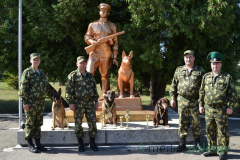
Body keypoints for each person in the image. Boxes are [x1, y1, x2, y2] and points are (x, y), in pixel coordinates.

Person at [199, 51, 237, 160]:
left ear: (220, 64)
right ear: (210, 64)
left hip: (221, 110)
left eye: (217, 64)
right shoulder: (206, 77)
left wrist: (230, 107)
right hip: (208, 109)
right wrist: (201, 105)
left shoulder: (227, 77)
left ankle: (223, 152)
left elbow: (233, 94)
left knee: (222, 131)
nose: (214, 66)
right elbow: (201, 92)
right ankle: (212, 150)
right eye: (212, 64)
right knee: (209, 130)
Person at [169, 50, 205, 151]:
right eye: (186, 57)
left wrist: (202, 102)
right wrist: (173, 98)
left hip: (195, 101)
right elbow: (173, 85)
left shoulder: (200, 71)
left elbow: (204, 88)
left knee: (196, 122)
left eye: (190, 57)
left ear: (194, 58)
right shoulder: (179, 70)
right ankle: (182, 143)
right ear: (184, 59)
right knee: (182, 121)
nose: (188, 59)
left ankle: (197, 142)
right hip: (182, 100)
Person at [19, 53, 52, 153]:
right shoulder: (27, 72)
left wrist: (54, 96)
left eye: (37, 60)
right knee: (30, 123)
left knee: (38, 123)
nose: (36, 61)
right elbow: (23, 89)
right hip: (31, 102)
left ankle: (38, 144)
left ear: (40, 61)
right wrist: (25, 102)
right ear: (31, 61)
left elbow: (46, 87)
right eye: (34, 60)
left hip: (40, 102)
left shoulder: (41, 72)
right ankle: (30, 144)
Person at [65, 56, 99, 152]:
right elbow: (68, 91)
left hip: (89, 102)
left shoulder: (90, 75)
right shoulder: (72, 75)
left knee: (92, 122)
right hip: (78, 103)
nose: (82, 64)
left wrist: (96, 101)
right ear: (77, 64)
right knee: (78, 124)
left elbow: (94, 89)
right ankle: (80, 143)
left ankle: (92, 142)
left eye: (84, 63)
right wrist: (71, 103)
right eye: (80, 63)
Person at [84, 3, 118, 96]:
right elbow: (87, 36)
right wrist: (91, 42)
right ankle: (87, 94)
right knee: (88, 73)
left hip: (106, 54)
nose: (103, 12)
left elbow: (115, 43)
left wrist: (114, 56)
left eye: (105, 11)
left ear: (108, 13)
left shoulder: (112, 26)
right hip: (94, 53)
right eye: (101, 10)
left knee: (105, 75)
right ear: (99, 12)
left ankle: (104, 95)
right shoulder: (92, 25)